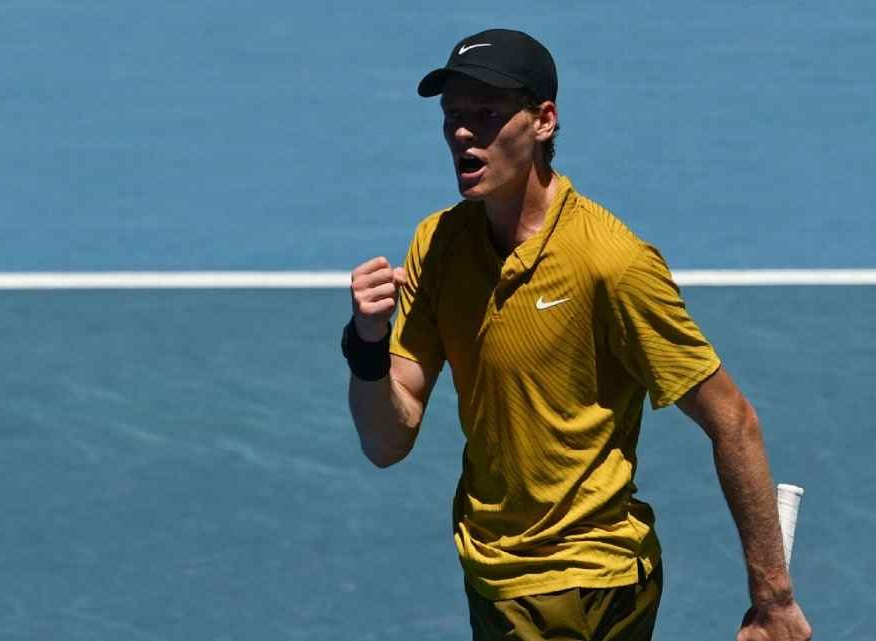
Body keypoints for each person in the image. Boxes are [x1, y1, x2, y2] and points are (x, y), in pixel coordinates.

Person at [342, 28, 812, 641]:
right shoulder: (438, 245)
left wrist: (773, 598)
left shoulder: (611, 263)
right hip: (494, 576)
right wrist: (367, 345)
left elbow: (732, 419)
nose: (462, 133)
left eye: (486, 114)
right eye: (453, 115)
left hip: (584, 579)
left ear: (543, 121)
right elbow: (387, 440)